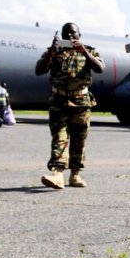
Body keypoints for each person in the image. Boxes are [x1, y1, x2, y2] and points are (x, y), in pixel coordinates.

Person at [35, 22, 105, 189]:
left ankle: (75, 175)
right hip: (58, 100)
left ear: (79, 35)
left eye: (73, 33)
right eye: (66, 34)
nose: (70, 36)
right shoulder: (55, 52)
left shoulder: (89, 50)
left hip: (81, 101)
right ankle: (57, 174)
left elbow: (100, 68)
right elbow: (39, 70)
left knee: (79, 139)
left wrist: (84, 51)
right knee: (59, 136)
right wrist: (51, 52)